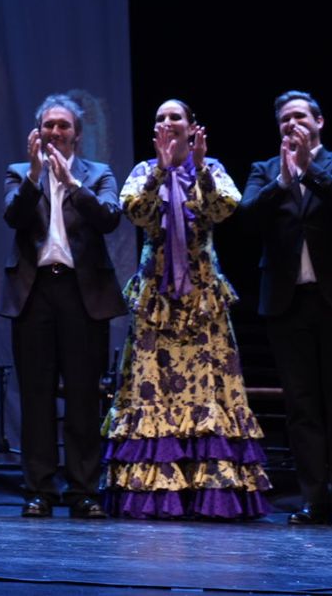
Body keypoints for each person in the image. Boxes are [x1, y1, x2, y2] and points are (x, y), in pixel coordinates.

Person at [103, 99, 270, 519]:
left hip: (201, 300)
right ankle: (154, 496)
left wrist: (197, 168)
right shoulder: (144, 171)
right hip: (157, 301)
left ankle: (210, 493)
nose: (167, 122)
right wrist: (162, 170)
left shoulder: (211, 169)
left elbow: (224, 209)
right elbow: (135, 212)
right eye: (160, 117)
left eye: (175, 116)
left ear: (193, 126)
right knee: (151, 390)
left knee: (209, 389)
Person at [239, 91, 332, 525]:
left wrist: (308, 171)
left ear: (319, 121)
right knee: (301, 404)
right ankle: (313, 497)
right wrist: (282, 180)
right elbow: (246, 217)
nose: (290, 124)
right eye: (283, 119)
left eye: (299, 116)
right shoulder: (265, 171)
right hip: (287, 302)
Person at [0, 94, 126, 519]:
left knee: (83, 397)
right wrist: (36, 174)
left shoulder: (99, 173)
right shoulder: (19, 173)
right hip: (35, 295)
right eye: (49, 125)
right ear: (38, 131)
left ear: (77, 133)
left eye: (64, 126)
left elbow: (110, 217)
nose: (56, 132)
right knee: (35, 398)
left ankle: (83, 490)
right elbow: (13, 218)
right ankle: (39, 490)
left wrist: (72, 182)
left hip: (81, 293)